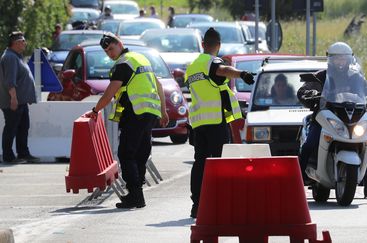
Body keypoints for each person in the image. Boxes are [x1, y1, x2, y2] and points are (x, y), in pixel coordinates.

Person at [85, 32, 169, 209]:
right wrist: (163, 111)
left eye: (111, 48)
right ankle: (137, 193)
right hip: (150, 113)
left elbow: (110, 91)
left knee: (126, 153)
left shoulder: (123, 64)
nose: (110, 53)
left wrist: (95, 110)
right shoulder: (141, 58)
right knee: (140, 153)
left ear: (119, 44)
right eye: (107, 51)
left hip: (135, 112)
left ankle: (135, 195)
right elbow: (158, 85)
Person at [297, 42, 367, 198]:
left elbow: (366, 93)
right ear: (330, 59)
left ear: (349, 60)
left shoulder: (356, 77)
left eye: (343, 58)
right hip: (326, 116)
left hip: (352, 117)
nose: (340, 62)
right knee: (310, 143)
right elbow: (303, 90)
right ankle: (299, 180)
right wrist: (308, 93)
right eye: (337, 59)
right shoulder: (321, 75)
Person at [185, 28, 255, 218]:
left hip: (199, 122)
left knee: (200, 162)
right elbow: (223, 69)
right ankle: (221, 203)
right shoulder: (212, 61)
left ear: (202, 44)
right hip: (216, 121)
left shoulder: (192, 67)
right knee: (221, 163)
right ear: (219, 45)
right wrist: (243, 74)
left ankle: (197, 205)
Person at [0, 31, 40, 163]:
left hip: (20, 101)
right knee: (11, 127)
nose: (25, 43)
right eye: (22, 41)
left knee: (23, 127)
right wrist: (13, 98)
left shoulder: (16, 56)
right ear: (15, 43)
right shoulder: (10, 57)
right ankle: (8, 156)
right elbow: (9, 81)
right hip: (13, 101)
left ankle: (23, 153)